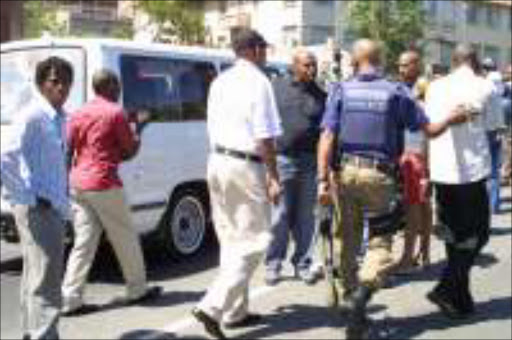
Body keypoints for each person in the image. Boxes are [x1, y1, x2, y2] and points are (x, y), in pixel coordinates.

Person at [317, 39, 469, 339]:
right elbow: (430, 131)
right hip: (380, 178)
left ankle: (350, 299)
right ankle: (363, 292)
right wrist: (453, 117)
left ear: (355, 61)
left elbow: (326, 137)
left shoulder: (341, 90)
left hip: (346, 174)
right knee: (380, 243)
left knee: (347, 237)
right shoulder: (395, 91)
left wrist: (323, 179)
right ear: (381, 59)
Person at [191, 29, 282, 339]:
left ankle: (235, 311)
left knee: (232, 240)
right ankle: (213, 306)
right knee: (257, 240)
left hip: (217, 161)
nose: (266, 53)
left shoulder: (220, 80)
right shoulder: (259, 81)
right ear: (255, 50)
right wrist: (273, 176)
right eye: (264, 48)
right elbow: (264, 136)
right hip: (246, 164)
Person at [61, 70, 162, 316]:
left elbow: (67, 150)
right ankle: (137, 289)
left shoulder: (78, 113)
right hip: (104, 183)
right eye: (117, 85)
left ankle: (70, 298)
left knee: (83, 243)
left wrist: (65, 180)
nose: (119, 90)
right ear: (108, 86)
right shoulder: (115, 112)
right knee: (125, 236)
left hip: (77, 183)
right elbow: (129, 151)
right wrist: (139, 127)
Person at [0, 57, 73, 339]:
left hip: (51, 206)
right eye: (55, 81)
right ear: (42, 84)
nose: (62, 87)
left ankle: (32, 333)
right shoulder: (33, 115)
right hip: (38, 209)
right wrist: (28, 196)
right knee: (47, 281)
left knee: (35, 277)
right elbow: (5, 157)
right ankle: (44, 335)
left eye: (67, 81)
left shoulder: (60, 117)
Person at [425, 45, 498, 319]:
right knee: (478, 235)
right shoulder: (485, 86)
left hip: (442, 172)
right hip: (470, 173)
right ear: (475, 61)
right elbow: (493, 127)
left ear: (453, 61)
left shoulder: (434, 87)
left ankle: (460, 300)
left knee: (454, 237)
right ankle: (446, 287)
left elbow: (429, 126)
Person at [264, 49, 326, 286]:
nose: (312, 69)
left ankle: (302, 263)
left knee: (306, 218)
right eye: (307, 65)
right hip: (283, 160)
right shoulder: (275, 87)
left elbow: (325, 132)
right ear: (294, 65)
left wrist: (326, 169)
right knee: (280, 215)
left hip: (310, 162)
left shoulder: (321, 95)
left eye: (314, 65)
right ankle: (273, 264)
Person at [393, 50, 433, 273]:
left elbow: (430, 127)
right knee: (418, 205)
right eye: (399, 65)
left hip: (418, 154)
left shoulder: (427, 89)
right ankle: (421, 254)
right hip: (404, 153)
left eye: (406, 65)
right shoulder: (398, 89)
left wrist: (427, 165)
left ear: (417, 64)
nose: (401, 69)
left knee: (417, 206)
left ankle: (412, 256)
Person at [482, 57, 506, 213]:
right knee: (495, 170)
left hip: (485, 130)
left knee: (485, 169)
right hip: (497, 128)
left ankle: (488, 204)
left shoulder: (484, 85)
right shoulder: (500, 85)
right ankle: (494, 204)